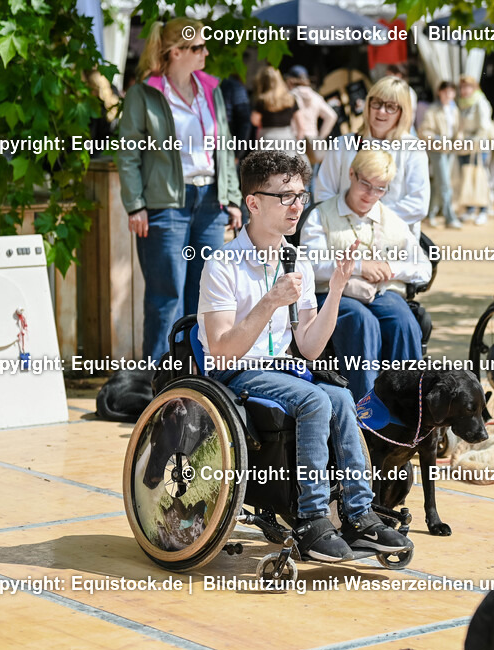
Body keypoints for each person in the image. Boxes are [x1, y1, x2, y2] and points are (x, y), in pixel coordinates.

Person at [198, 150, 412, 562]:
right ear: (254, 202)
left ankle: (359, 515)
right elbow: (223, 349)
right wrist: (270, 301)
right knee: (315, 399)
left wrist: (336, 289)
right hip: (235, 373)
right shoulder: (223, 263)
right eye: (285, 197)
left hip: (284, 370)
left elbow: (310, 346)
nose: (297, 206)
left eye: (301, 195)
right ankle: (312, 518)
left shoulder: (297, 259)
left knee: (342, 397)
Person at [119, 17, 243, 361]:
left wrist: (231, 198)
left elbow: (225, 147)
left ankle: (198, 383)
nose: (206, 52)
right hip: (165, 205)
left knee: (207, 297)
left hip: (209, 204)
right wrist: (135, 205)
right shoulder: (144, 93)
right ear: (176, 52)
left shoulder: (210, 88)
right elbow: (128, 153)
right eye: (198, 47)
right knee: (165, 297)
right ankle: (159, 386)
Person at [301, 149, 431, 399]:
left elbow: (423, 267)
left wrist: (392, 269)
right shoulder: (321, 215)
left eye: (380, 188)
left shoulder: (391, 220)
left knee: (404, 320)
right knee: (362, 321)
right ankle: (365, 408)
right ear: (351, 174)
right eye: (365, 184)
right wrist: (359, 266)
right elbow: (310, 264)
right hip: (332, 294)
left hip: (381, 293)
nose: (371, 194)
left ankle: (408, 405)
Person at [315, 76, 429, 238]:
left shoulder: (412, 149)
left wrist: (371, 220)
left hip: (394, 241)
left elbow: (418, 204)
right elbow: (324, 194)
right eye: (377, 103)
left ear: (402, 112)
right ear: (367, 104)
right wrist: (348, 222)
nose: (381, 111)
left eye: (391, 107)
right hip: (344, 237)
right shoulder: (342, 144)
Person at [420, 81, 462, 228]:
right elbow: (425, 131)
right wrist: (440, 140)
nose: (448, 95)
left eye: (451, 92)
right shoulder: (433, 110)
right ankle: (449, 217)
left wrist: (458, 141)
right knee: (445, 183)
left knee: (440, 183)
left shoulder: (454, 109)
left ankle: (429, 213)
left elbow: (458, 130)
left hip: (450, 149)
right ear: (439, 92)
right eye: (445, 91)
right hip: (437, 150)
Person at [457, 75, 494, 224]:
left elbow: (484, 127)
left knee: (481, 177)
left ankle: (484, 210)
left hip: (480, 146)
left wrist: (472, 141)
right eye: (462, 87)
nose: (464, 90)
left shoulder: (480, 102)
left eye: (467, 86)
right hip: (465, 147)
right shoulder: (462, 103)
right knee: (468, 177)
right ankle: (470, 209)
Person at [252, 65, 303, 161]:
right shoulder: (290, 99)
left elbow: (254, 120)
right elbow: (301, 126)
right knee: (288, 171)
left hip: (267, 137)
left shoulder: (262, 100)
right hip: (287, 137)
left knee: (267, 170)